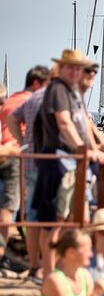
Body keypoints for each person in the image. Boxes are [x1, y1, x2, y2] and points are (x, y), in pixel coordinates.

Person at [32, 49, 104, 278]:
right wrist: (84, 151)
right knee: (54, 221)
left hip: (73, 162)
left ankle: (65, 270)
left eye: (79, 67)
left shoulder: (73, 93)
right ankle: (48, 273)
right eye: (72, 67)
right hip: (59, 161)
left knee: (73, 219)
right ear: (62, 68)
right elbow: (64, 124)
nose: (76, 71)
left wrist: (98, 149)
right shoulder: (57, 90)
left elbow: (84, 124)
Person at [7, 65, 51, 282]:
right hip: (18, 156)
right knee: (20, 208)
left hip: (14, 154)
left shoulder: (14, 99)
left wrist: (23, 142)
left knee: (23, 210)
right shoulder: (34, 99)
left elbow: (9, 120)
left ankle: (30, 262)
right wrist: (23, 143)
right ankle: (42, 264)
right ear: (36, 83)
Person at [38, 228, 104, 296]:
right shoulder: (55, 281)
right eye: (87, 250)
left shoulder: (85, 276)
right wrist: (95, 295)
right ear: (71, 253)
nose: (91, 254)